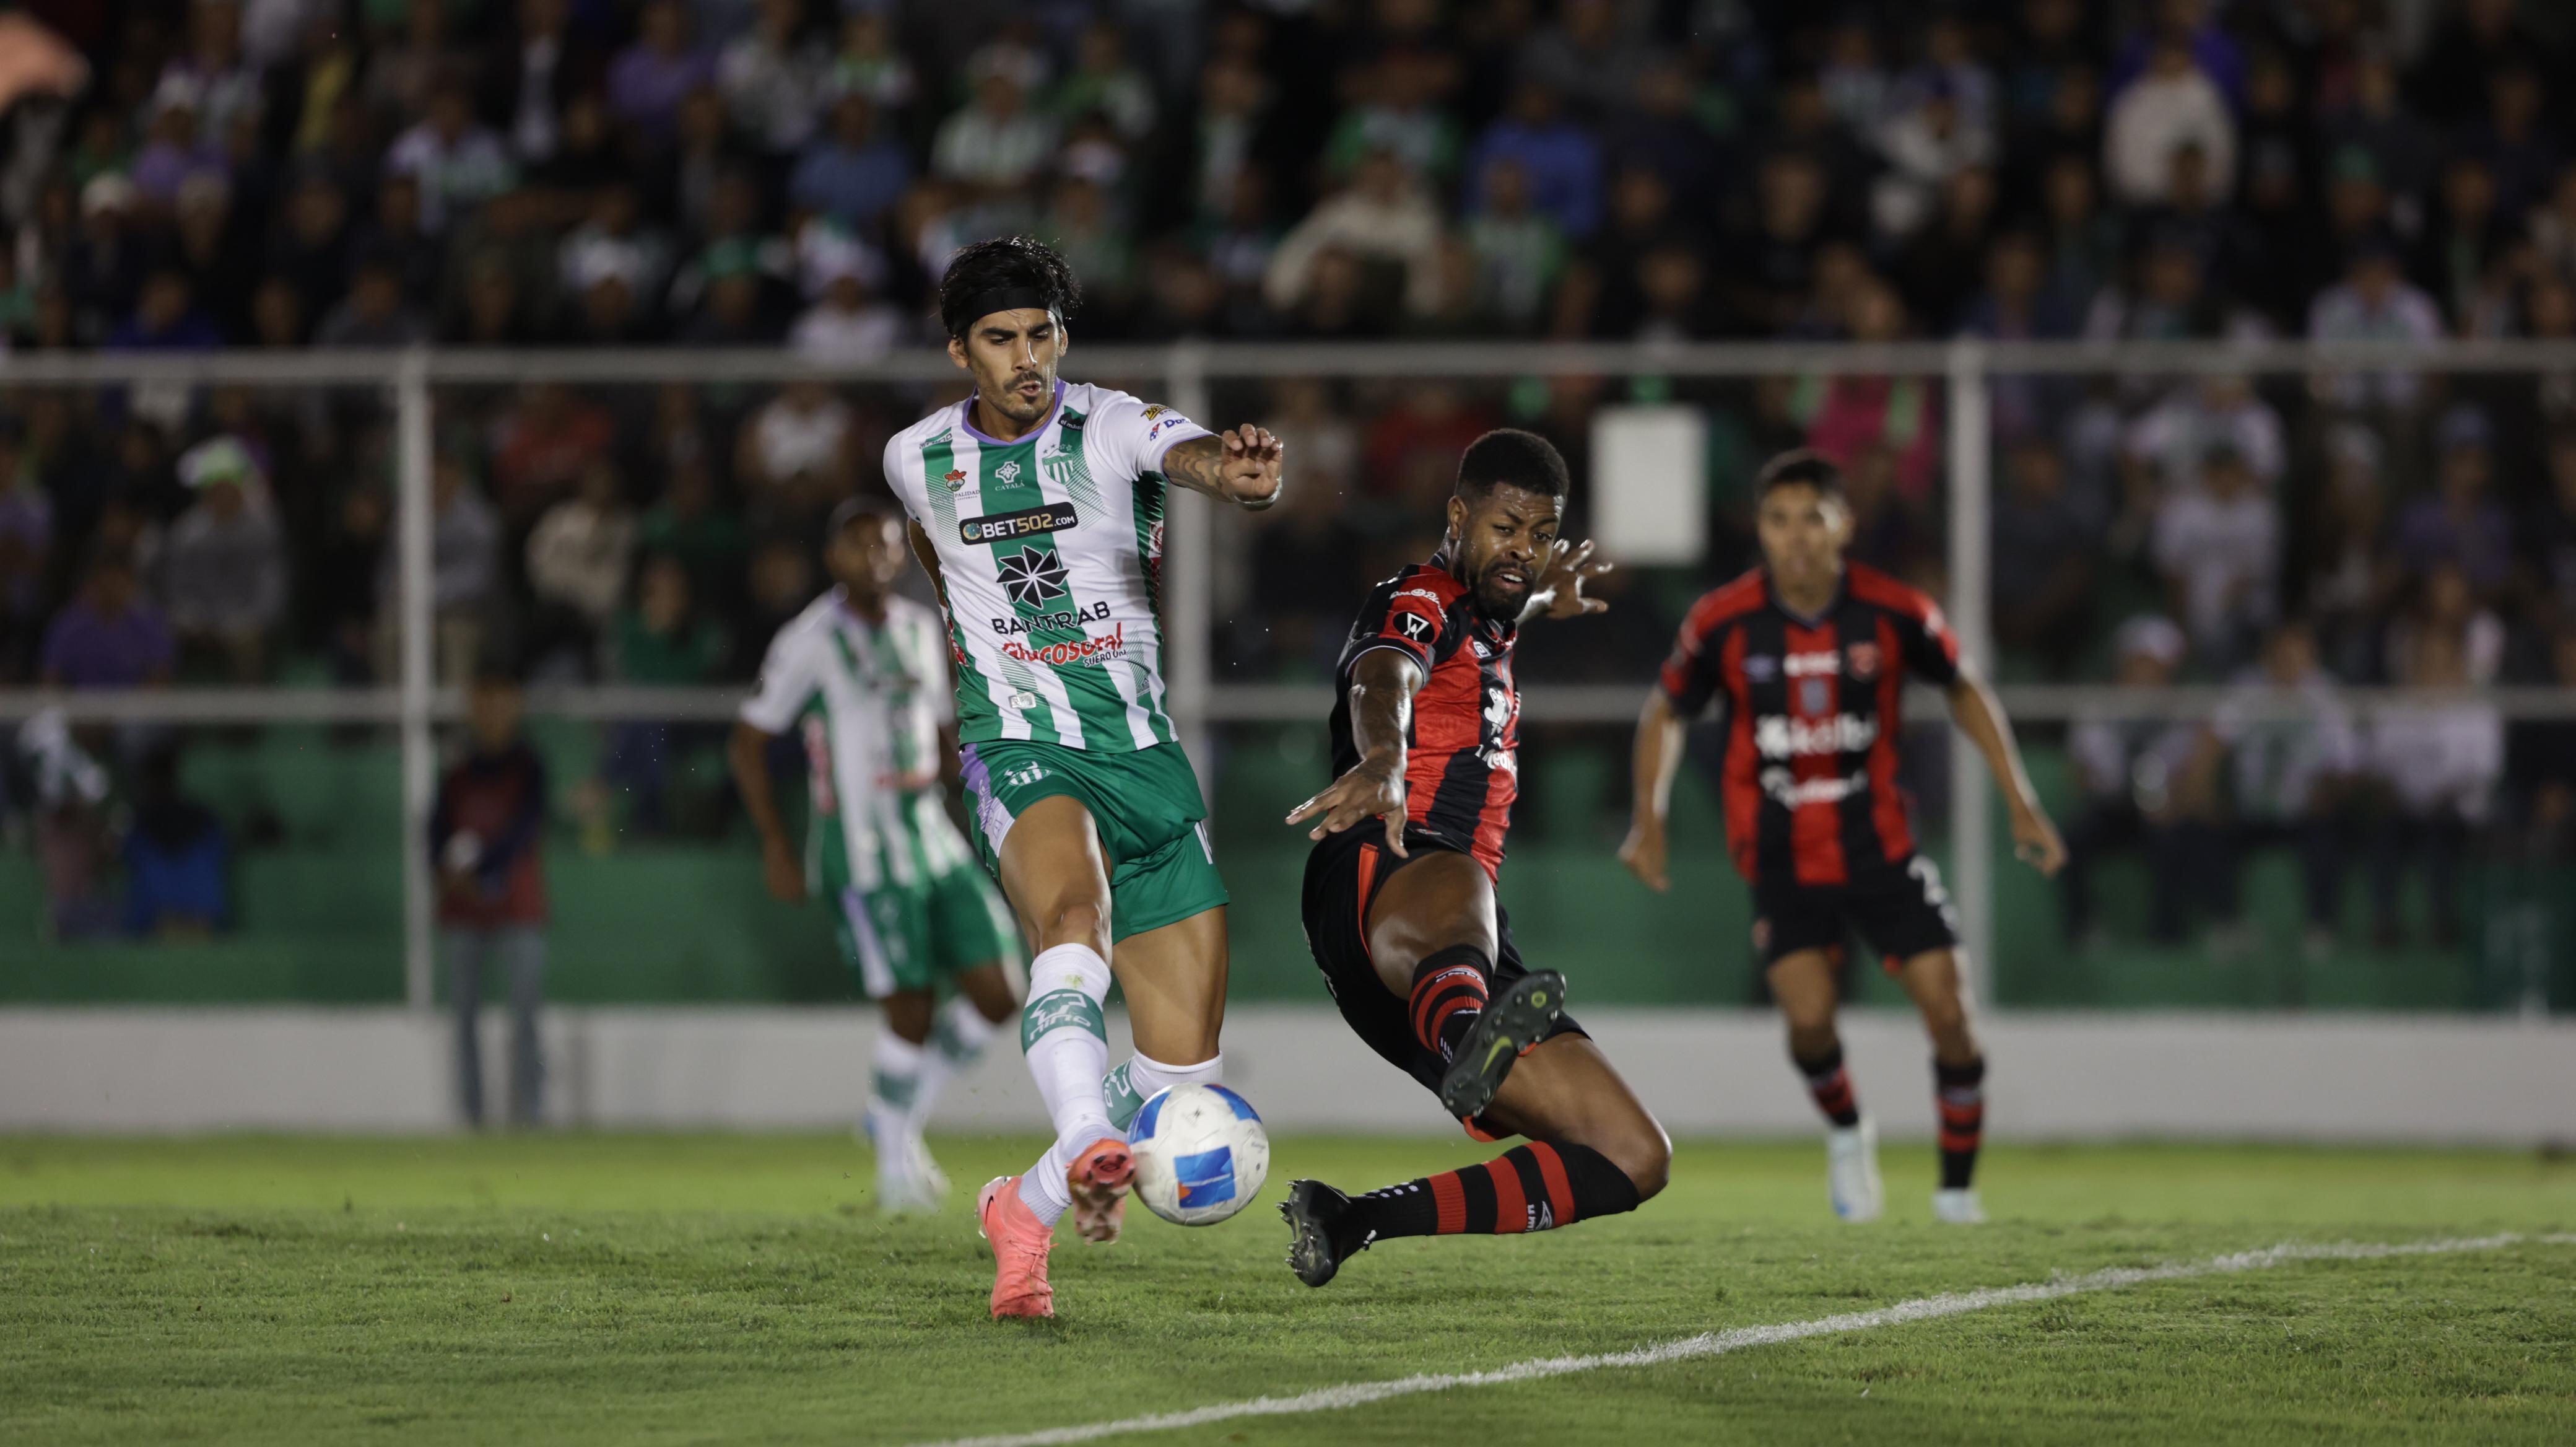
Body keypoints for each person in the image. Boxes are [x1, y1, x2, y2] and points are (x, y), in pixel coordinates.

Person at [878, 236, 1284, 1319]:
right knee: (1072, 914)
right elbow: (940, 563)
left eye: (1043, 335)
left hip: (1145, 765)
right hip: (1022, 747)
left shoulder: (1109, 425)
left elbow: (1192, 455)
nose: (1028, 359)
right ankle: (1083, 1136)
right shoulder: (913, 457)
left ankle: (1031, 1200)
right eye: (1002, 340)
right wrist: (987, 676)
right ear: (961, 348)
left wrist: (1236, 473)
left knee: (1177, 1083)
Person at [1620, 450, 2065, 1225]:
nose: (1794, 537)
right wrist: (1647, 817)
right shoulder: (1722, 620)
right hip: (1780, 855)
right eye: (1778, 520)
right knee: (1809, 1021)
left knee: (1950, 1013)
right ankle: (1847, 1131)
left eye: (1811, 519)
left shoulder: (1894, 610)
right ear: (1759, 529)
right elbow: (1665, 710)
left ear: (1843, 525)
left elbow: (1963, 688)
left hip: (1880, 846)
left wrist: (2019, 799)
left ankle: (1957, 1192)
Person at [1274, 429, 1658, 1287]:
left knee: (1632, 1155)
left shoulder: (1489, 614)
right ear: (1458, 515)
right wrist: (1381, 761)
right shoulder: (1420, 595)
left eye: (1542, 534)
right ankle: (1467, 1041)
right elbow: (1385, 676)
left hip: (1451, 951)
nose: (1522, 549)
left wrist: (1545, 596)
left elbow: (1503, 610)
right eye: (1505, 527)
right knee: (1462, 875)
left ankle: (1357, 1218)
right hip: (1389, 863)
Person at [729, 501, 1021, 1213]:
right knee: (911, 1008)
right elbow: (748, 740)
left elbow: (949, 736)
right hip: (861, 851)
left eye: (888, 546)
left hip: (932, 838)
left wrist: (992, 808)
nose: (877, 558)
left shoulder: (924, 630)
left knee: (1000, 992)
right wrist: (775, 840)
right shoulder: (811, 638)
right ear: (833, 557)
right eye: (861, 547)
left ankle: (894, 1116)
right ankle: (894, 1166)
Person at [429, 670, 550, 1129]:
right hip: (464, 909)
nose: (493, 715)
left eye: (502, 704)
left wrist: (483, 872)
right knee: (464, 1019)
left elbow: (526, 828)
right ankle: (472, 1117)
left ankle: (532, 1116)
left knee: (526, 1018)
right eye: (485, 704)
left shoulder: (530, 767)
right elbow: (436, 833)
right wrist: (448, 874)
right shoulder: (458, 772)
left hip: (518, 907)